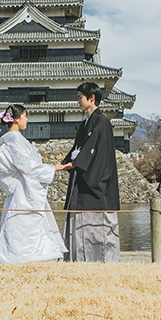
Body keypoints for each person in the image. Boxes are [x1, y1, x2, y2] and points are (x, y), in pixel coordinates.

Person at [0, 104, 68, 263]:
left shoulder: (10, 142)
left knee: (18, 224)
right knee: (25, 223)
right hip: (24, 189)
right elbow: (27, 166)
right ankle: (26, 256)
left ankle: (15, 254)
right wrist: (51, 168)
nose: (27, 119)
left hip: (18, 189)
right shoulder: (16, 142)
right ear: (17, 119)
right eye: (25, 116)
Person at [58, 82, 121, 262]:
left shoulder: (102, 123)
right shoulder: (86, 123)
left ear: (91, 98)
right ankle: (79, 257)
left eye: (80, 97)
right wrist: (69, 162)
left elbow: (94, 153)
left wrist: (73, 164)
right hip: (82, 176)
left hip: (95, 180)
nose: (77, 101)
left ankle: (99, 258)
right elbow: (78, 149)